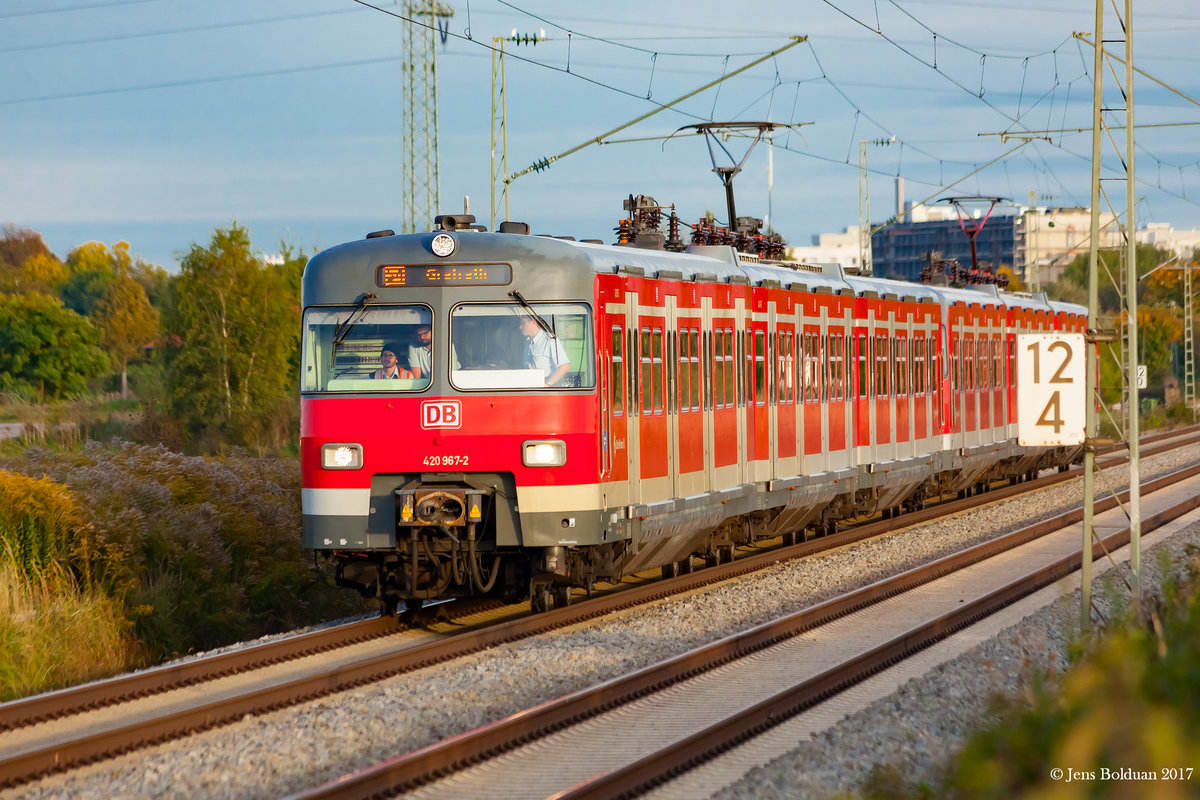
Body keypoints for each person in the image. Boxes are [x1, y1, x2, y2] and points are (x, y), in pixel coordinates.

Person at [520, 315, 570, 386]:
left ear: (534, 322)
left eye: (523, 323)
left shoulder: (550, 340)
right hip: (530, 385)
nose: (520, 327)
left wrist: (547, 384)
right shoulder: (527, 342)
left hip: (547, 389)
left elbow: (564, 366)